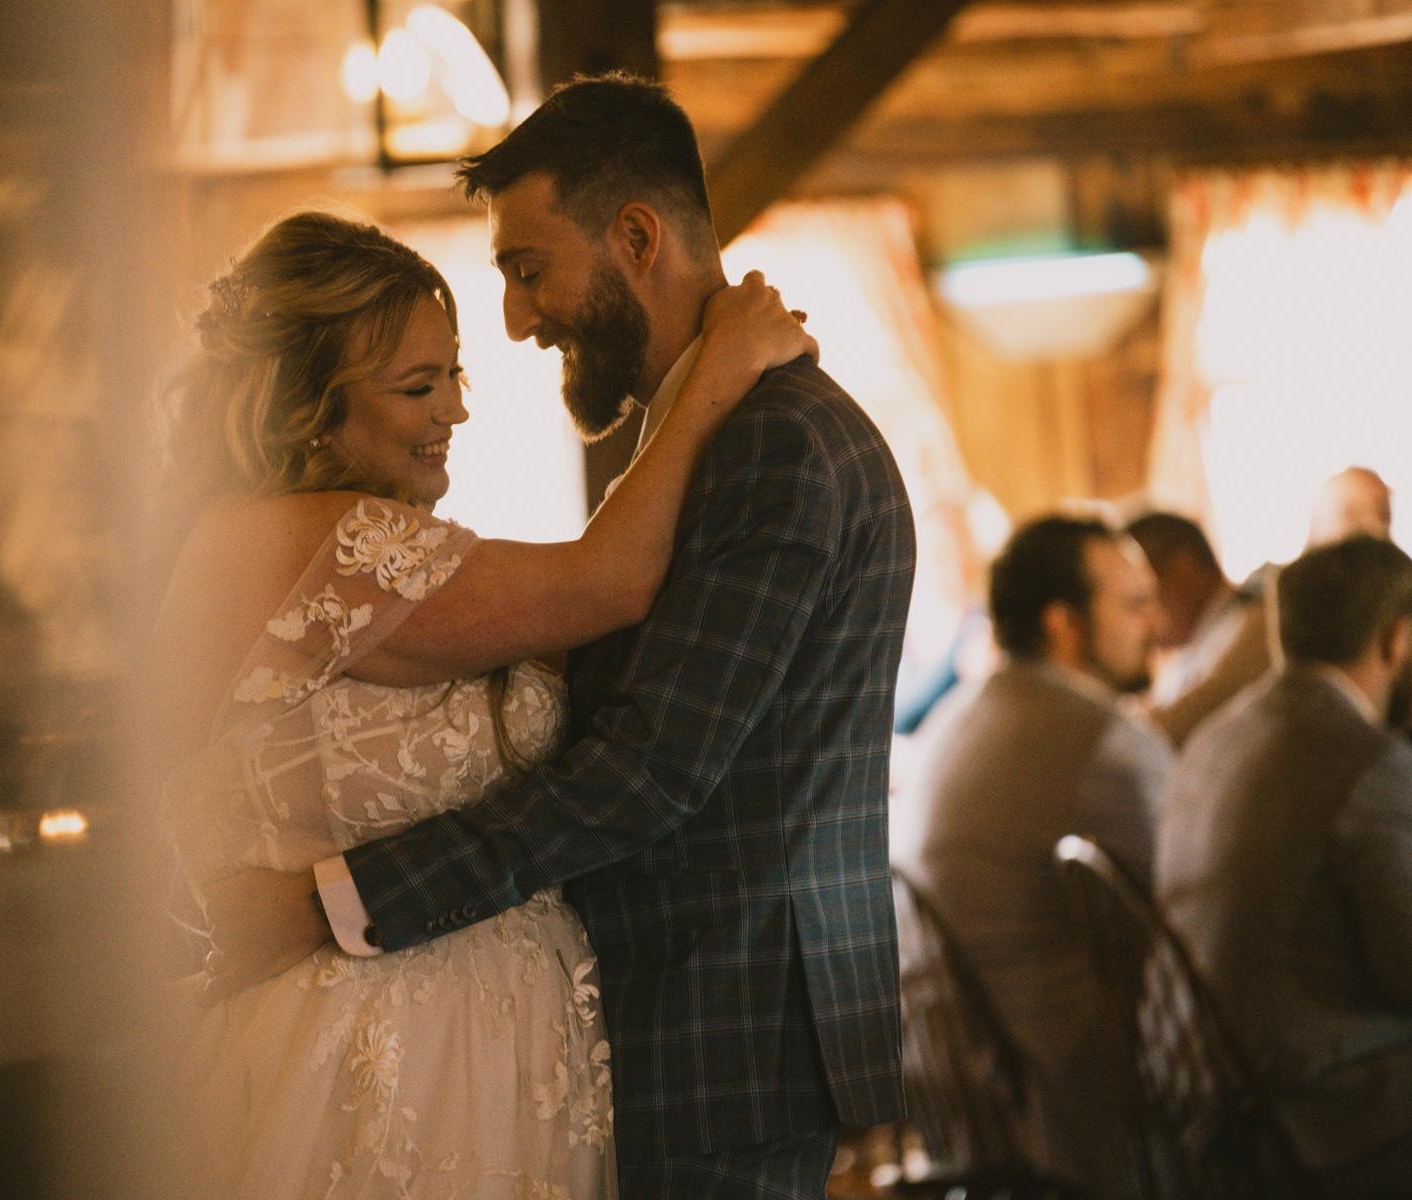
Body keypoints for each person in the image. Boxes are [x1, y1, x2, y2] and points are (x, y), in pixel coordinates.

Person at [287, 74, 915, 1198]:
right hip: (696, 1023)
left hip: (718, 1029)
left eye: (530, 270)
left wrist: (347, 898)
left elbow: (653, 768)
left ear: (636, 238)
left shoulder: (773, 446)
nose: (518, 320)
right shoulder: (714, 432)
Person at [150, 208, 815, 1197]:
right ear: (308, 406)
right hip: (370, 1061)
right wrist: (717, 372)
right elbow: (607, 580)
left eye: (455, 375)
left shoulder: (329, 541)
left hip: (490, 1052)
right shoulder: (311, 547)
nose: (455, 410)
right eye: (418, 386)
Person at [892, 514, 1171, 1195]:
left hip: (964, 1103)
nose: (1156, 622)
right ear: (1062, 625)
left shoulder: (956, 723)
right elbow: (1193, 925)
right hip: (1081, 1113)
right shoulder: (1100, 743)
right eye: (1134, 604)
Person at [1157, 534, 1412, 1191]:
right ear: (1396, 639)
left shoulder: (1215, 737)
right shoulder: (1369, 762)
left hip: (1208, 1101)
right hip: (1320, 1116)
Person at [1126, 510, 1273, 746]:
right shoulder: (1194, 643)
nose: (1148, 616)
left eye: (1146, 594)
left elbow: (1172, 726)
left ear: (1184, 570)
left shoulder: (1255, 623)